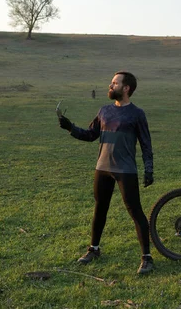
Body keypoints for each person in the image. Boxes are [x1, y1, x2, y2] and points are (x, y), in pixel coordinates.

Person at [58, 71, 155, 275]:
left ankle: (147, 258)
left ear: (126, 88)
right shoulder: (104, 111)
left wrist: (149, 168)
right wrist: (70, 127)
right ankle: (93, 249)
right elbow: (91, 135)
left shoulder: (137, 114)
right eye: (111, 83)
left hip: (125, 170)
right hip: (102, 169)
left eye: (115, 83)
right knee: (100, 209)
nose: (111, 86)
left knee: (135, 211)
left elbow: (146, 143)